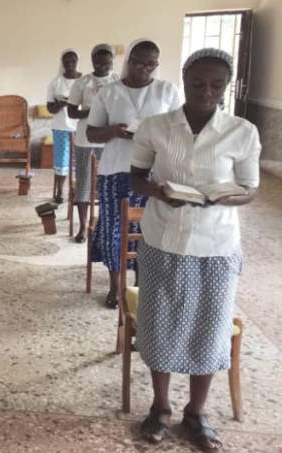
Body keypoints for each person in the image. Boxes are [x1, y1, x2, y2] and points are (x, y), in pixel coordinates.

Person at [130, 49, 259, 451]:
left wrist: (224, 199)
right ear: (183, 80)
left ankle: (197, 412)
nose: (207, 91)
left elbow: (249, 189)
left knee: (210, 327)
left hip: (216, 246)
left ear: (226, 86)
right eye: (198, 82)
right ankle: (160, 407)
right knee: (159, 323)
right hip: (163, 239)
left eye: (216, 84)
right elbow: (136, 176)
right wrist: (158, 192)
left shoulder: (242, 131)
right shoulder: (157, 126)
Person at [86, 39, 183, 308]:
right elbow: (91, 131)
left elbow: (181, 131)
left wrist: (154, 136)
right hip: (115, 171)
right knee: (114, 230)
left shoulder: (167, 91)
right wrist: (114, 131)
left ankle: (140, 287)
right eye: (138, 61)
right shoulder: (109, 92)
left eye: (151, 63)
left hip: (154, 173)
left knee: (149, 230)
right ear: (128, 60)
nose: (144, 68)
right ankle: (116, 287)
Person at [67, 44, 118, 243]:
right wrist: (94, 112)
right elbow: (71, 112)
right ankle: (83, 227)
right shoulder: (82, 82)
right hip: (85, 139)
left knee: (107, 183)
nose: (103, 66)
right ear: (92, 61)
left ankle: (104, 225)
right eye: (99, 62)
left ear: (112, 62)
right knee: (84, 182)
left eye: (108, 62)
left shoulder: (118, 81)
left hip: (110, 140)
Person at [46, 50, 81, 203]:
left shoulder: (84, 81)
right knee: (61, 160)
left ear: (77, 62)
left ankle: (77, 190)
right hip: (61, 126)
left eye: (73, 61)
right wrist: (62, 103)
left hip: (81, 126)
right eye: (67, 62)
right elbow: (50, 108)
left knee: (80, 161)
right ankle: (60, 191)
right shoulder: (56, 82)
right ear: (62, 63)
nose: (70, 65)